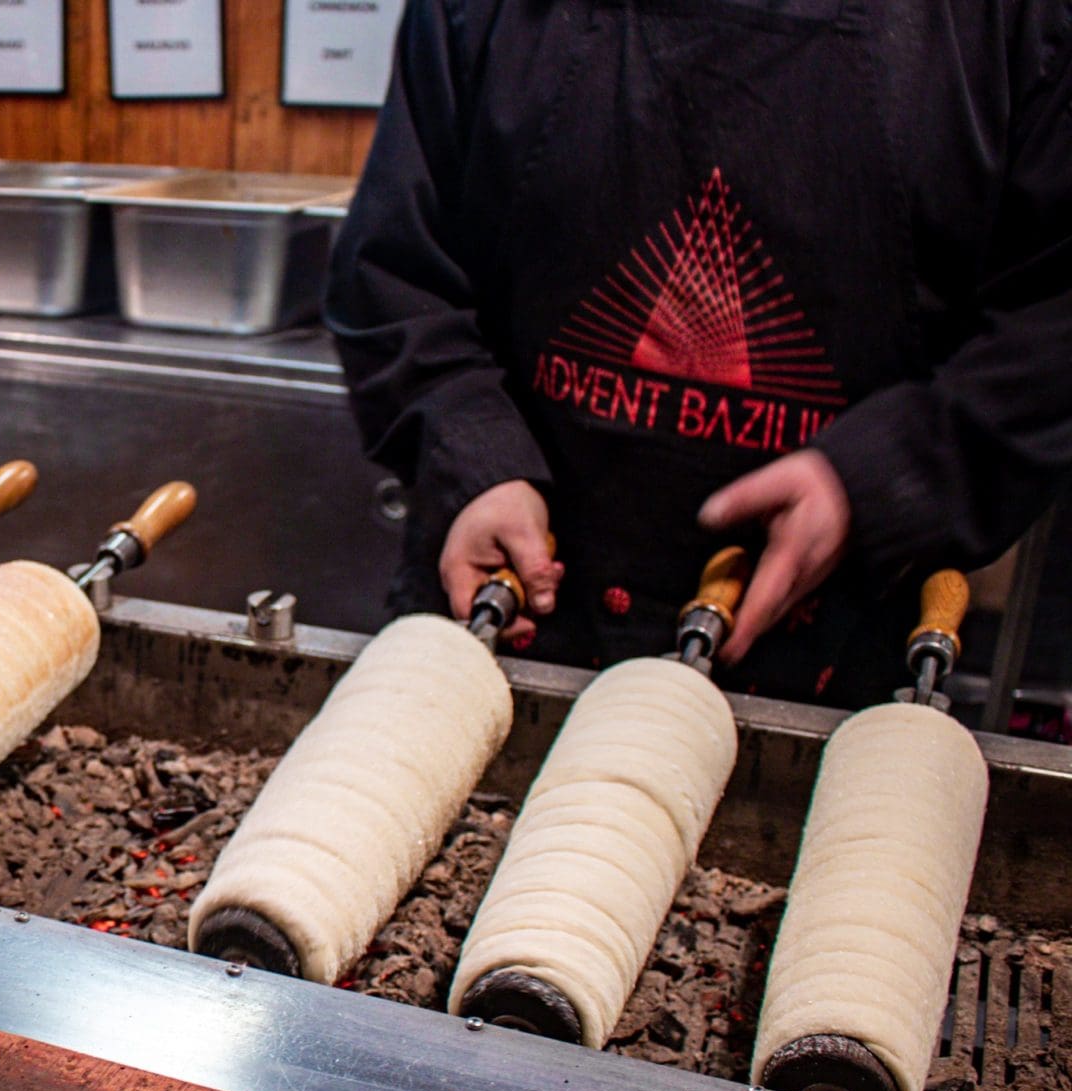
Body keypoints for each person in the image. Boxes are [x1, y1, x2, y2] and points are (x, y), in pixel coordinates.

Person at [328, 0, 1072, 703]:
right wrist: (473, 458)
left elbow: (1053, 323)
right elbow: (392, 272)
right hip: (509, 612)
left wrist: (888, 477)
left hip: (820, 660)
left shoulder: (1010, 22)